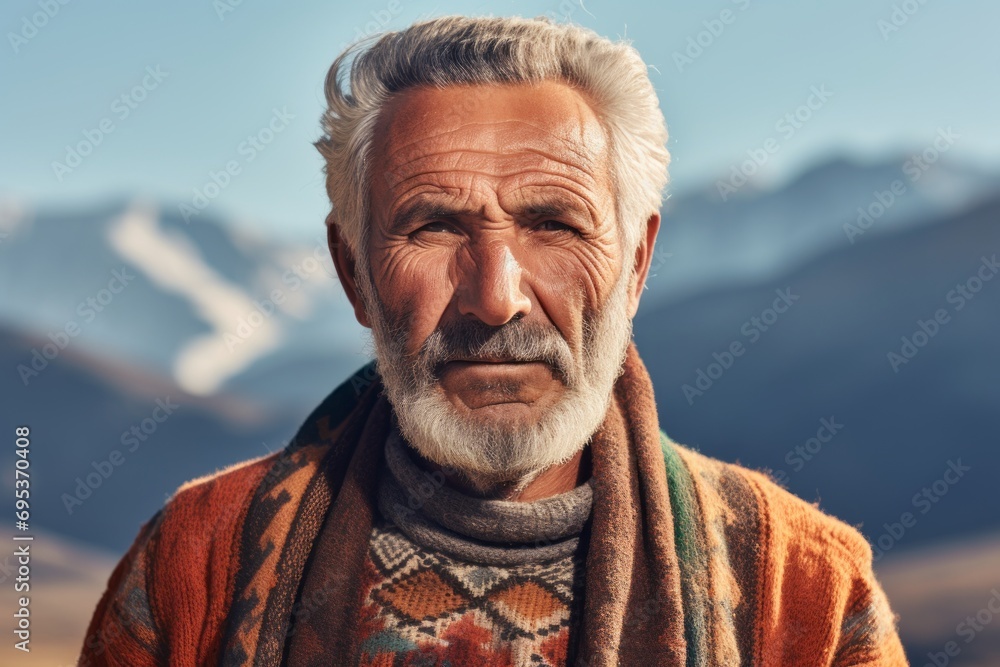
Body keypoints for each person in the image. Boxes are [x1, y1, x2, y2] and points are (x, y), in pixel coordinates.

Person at [80, 15, 907, 666]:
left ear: (638, 263)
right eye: (435, 226)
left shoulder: (805, 590)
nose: (495, 297)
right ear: (352, 271)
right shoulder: (197, 562)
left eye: (553, 224)